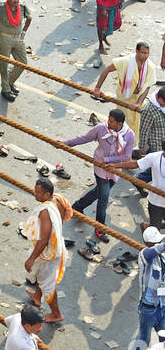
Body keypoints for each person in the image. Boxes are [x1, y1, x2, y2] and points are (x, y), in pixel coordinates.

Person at [64, 108, 137, 240]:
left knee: (99, 192)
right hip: (101, 169)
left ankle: (78, 206)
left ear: (119, 124)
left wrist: (106, 160)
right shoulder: (101, 129)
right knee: (103, 199)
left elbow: (126, 157)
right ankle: (100, 228)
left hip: (115, 170)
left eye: (111, 121)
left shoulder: (130, 135)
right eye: (108, 119)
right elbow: (84, 138)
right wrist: (66, 144)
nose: (107, 122)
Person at [22, 177, 66, 324]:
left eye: (38, 192)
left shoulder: (45, 212)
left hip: (49, 253)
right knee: (42, 276)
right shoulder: (55, 201)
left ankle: (56, 314)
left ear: (47, 195)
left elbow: (44, 240)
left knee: (48, 284)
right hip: (54, 248)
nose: (35, 193)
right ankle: (37, 297)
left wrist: (31, 258)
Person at [94, 42, 152, 140]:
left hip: (137, 101)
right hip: (123, 99)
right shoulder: (125, 61)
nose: (145, 56)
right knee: (122, 126)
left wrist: (138, 103)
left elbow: (147, 86)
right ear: (137, 52)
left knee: (135, 127)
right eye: (143, 53)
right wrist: (97, 88)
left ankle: (129, 148)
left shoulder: (150, 66)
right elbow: (106, 70)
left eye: (147, 53)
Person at [130, 226, 165, 350]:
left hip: (162, 306)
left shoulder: (162, 257)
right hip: (148, 308)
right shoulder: (144, 255)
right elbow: (154, 251)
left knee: (163, 338)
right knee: (143, 341)